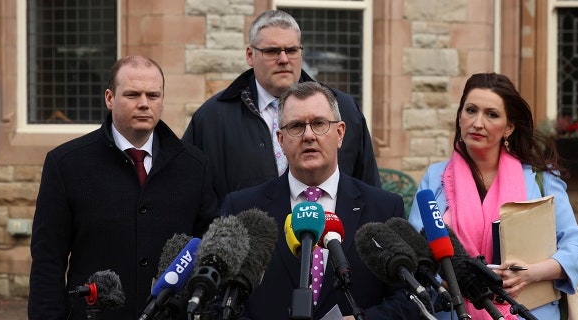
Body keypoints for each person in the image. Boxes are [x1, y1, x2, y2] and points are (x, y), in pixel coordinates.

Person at [28, 55, 219, 320]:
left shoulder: (194, 166)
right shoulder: (66, 164)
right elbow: (48, 260)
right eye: (132, 94)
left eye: (153, 95)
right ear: (109, 98)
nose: (144, 104)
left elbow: (207, 253)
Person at [219, 82, 418, 320]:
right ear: (280, 140)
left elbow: (410, 299)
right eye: (296, 126)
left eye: (319, 123)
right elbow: (221, 301)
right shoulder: (241, 209)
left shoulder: (384, 208)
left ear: (340, 133)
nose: (308, 136)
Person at [408, 73, 578, 319]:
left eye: (491, 114)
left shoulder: (542, 180)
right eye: (471, 110)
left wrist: (529, 273)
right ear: (460, 117)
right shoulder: (435, 178)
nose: (477, 122)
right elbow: (415, 253)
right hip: (454, 313)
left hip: (526, 312)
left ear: (509, 127)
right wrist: (448, 280)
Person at [182, 10, 380, 209]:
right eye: (272, 51)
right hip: (248, 237)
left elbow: (369, 191)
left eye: (292, 50)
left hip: (334, 237)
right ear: (250, 55)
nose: (284, 59)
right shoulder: (212, 119)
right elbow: (190, 197)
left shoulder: (343, 109)